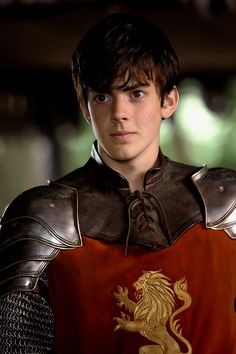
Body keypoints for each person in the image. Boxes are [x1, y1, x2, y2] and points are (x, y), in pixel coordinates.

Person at [0, 12, 235, 354]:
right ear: (85, 106)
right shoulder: (42, 219)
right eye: (103, 97)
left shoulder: (226, 205)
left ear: (168, 100)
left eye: (136, 93)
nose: (120, 112)